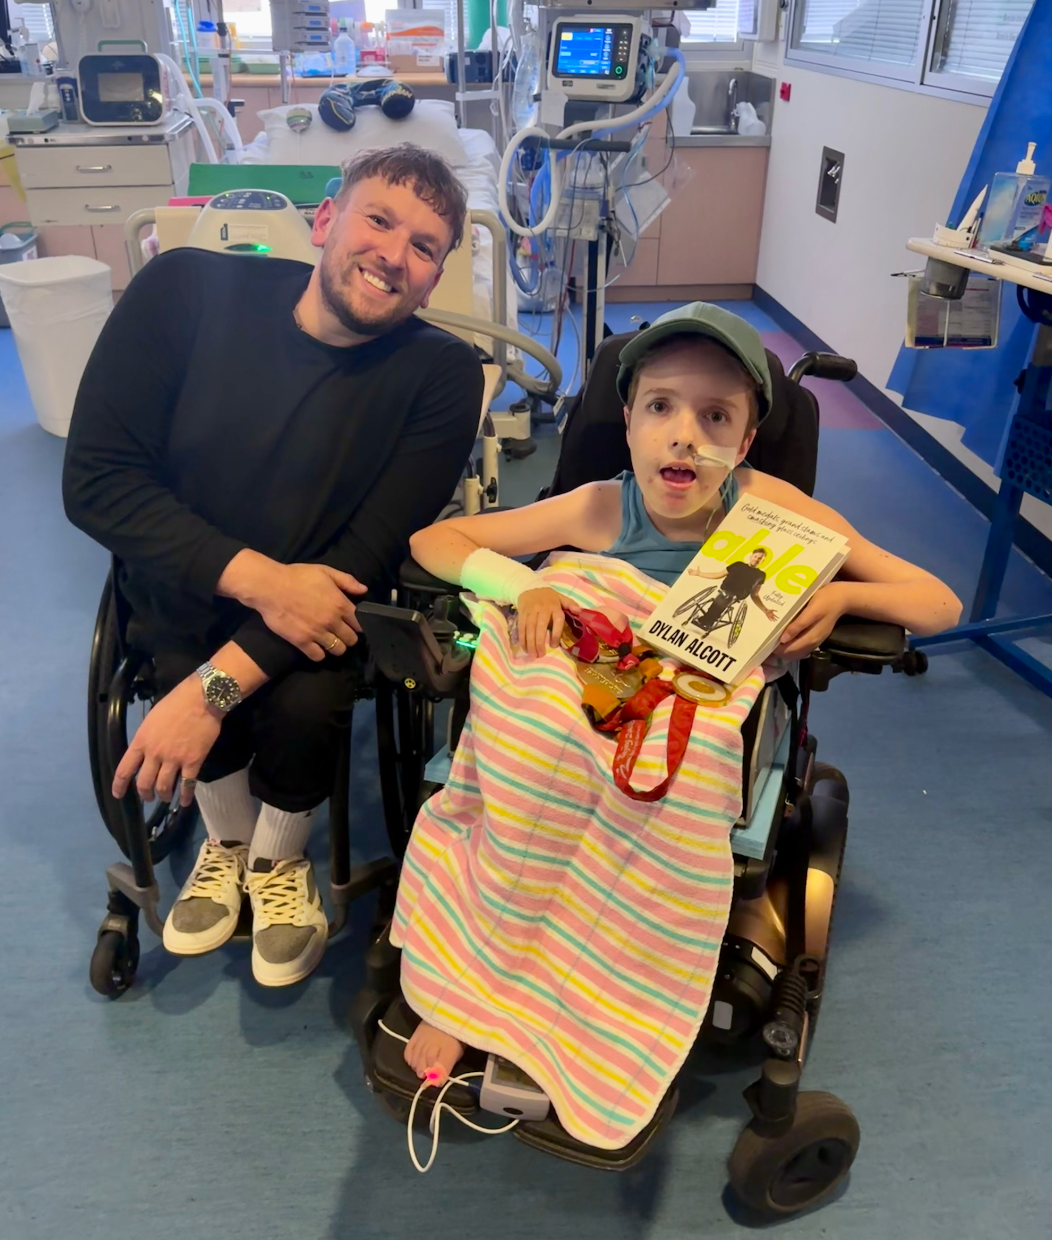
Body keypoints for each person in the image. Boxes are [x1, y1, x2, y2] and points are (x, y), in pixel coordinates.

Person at [397, 300, 962, 1082]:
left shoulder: (770, 511)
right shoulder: (602, 506)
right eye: (660, 407)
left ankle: (602, 992)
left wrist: (841, 597)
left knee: (673, 772)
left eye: (715, 416)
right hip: (592, 670)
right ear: (627, 420)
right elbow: (437, 541)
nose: (684, 436)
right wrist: (524, 584)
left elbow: (940, 603)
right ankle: (476, 986)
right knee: (530, 741)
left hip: (692, 695)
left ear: (747, 440)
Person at [63, 144, 484, 987]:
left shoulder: (440, 376)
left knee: (309, 694)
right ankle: (225, 837)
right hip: (194, 586)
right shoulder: (183, 291)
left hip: (326, 609)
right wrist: (265, 583)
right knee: (178, 638)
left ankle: (276, 858)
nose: (395, 255)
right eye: (379, 219)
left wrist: (208, 695)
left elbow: (365, 558)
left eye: (426, 247)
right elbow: (97, 483)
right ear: (325, 221)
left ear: (434, 280)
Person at [684, 546, 778, 629]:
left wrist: (765, 610)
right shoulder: (738, 565)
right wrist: (699, 574)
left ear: (763, 561)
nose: (756, 559)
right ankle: (706, 621)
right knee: (725, 596)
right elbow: (718, 574)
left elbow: (755, 594)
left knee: (728, 597)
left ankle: (707, 621)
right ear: (751, 556)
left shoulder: (761, 575)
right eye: (755, 556)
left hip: (736, 596)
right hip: (725, 590)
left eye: (760, 558)